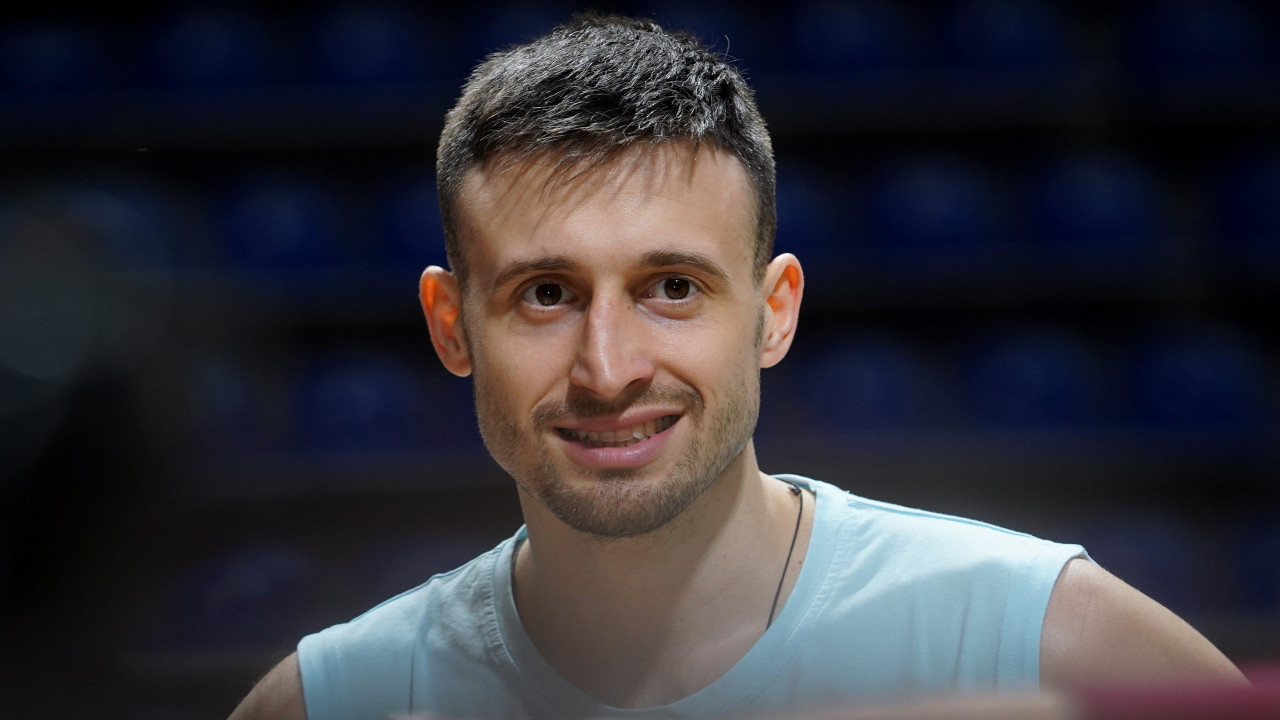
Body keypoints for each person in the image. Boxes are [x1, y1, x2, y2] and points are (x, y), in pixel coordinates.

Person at [229, 13, 1245, 720]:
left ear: (773, 313)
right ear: (451, 326)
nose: (607, 368)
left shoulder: (1044, 642)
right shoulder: (330, 703)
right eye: (545, 294)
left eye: (671, 287)